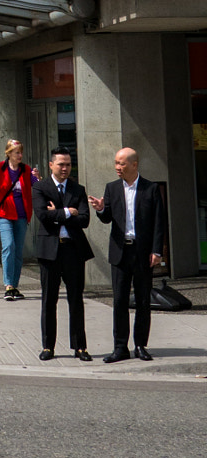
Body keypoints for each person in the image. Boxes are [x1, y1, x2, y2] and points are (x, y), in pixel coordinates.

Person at [89, 146, 167, 362]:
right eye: (116, 163)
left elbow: (159, 223)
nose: (117, 167)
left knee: (143, 300)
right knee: (119, 300)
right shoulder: (112, 188)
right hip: (120, 252)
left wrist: (156, 251)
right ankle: (120, 347)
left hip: (143, 253)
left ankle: (140, 345)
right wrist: (100, 209)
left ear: (134, 164)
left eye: (122, 163)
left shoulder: (150, 189)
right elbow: (107, 219)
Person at [32, 148, 93, 362]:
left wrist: (57, 212)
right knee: (49, 300)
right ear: (51, 165)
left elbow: (84, 219)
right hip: (49, 251)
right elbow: (42, 215)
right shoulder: (40, 187)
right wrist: (69, 212)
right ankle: (48, 346)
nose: (65, 168)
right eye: (61, 164)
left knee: (76, 300)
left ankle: (80, 347)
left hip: (73, 250)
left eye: (68, 164)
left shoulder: (78, 189)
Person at [0, 138, 39, 300]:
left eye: (21, 152)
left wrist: (38, 176)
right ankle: (8, 285)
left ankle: (15, 285)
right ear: (9, 154)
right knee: (8, 246)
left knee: (18, 251)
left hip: (22, 214)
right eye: (17, 152)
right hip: (4, 214)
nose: (20, 155)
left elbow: (38, 185)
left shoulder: (26, 169)